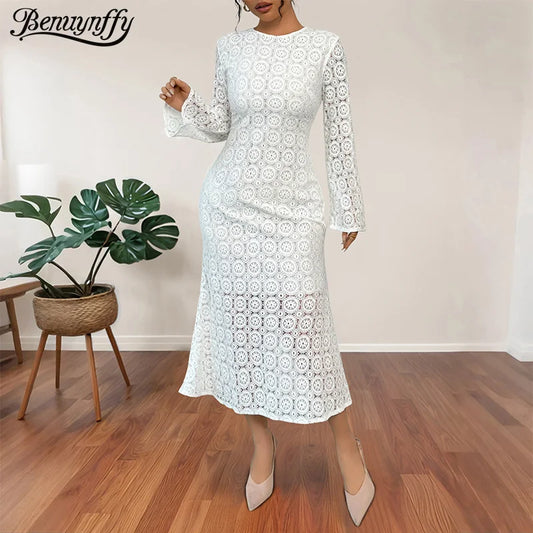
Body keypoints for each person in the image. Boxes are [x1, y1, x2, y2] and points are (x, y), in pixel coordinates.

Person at [159, 0, 374, 526]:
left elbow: (339, 136)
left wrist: (347, 206)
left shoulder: (324, 47)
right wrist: (189, 104)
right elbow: (223, 126)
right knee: (241, 331)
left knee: (306, 327)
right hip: (230, 206)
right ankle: (261, 443)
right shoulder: (230, 48)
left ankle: (347, 447)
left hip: (294, 208)